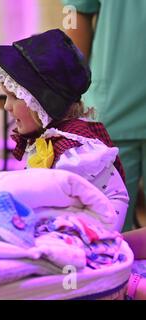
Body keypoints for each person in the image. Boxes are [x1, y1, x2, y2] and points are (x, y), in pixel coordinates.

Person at [0, 28, 129, 232]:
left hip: (84, 243)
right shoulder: (56, 137)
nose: (6, 106)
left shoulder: (75, 154)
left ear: (42, 102)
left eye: (15, 96)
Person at [62, 0, 146, 231]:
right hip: (113, 110)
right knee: (107, 230)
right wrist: (71, 88)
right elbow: (76, 13)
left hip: (112, 101)